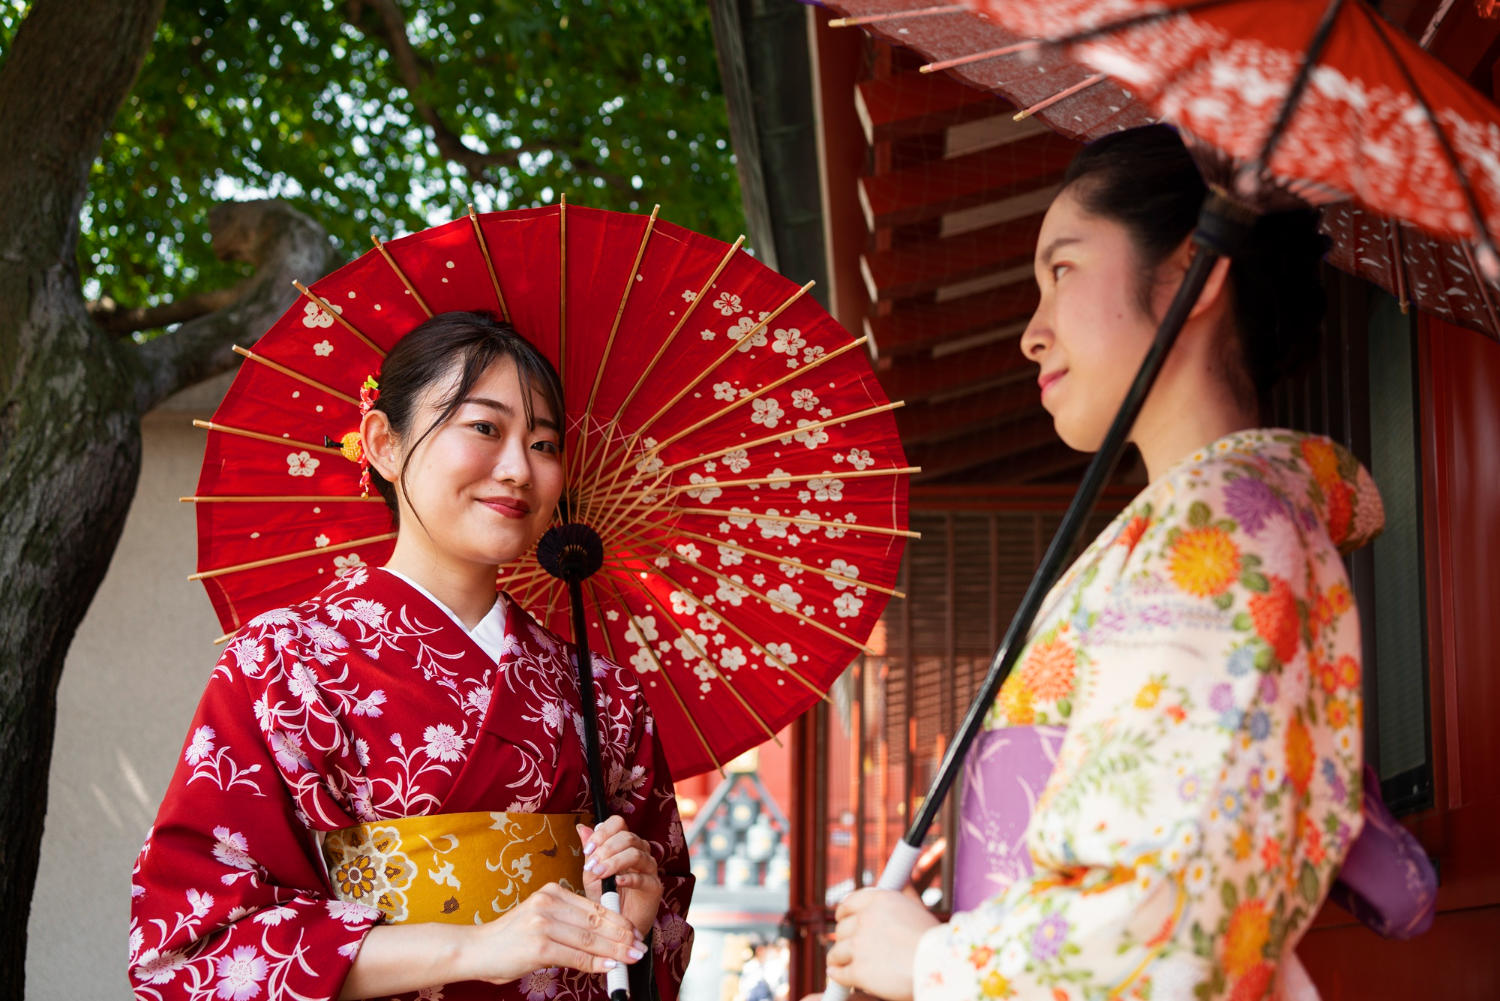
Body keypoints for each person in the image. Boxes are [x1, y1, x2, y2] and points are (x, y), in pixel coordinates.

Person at [818, 125, 1383, 1000]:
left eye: (1063, 271)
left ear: (1190, 271)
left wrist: (928, 962)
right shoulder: (1178, 532)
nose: (1030, 335)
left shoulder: (1227, 534)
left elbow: (1167, 910)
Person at [129, 312, 694, 1001]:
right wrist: (475, 945)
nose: (518, 468)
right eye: (484, 427)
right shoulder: (284, 663)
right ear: (382, 444)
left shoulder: (604, 694)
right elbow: (195, 944)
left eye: (543, 442)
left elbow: (659, 942)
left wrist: (631, 920)